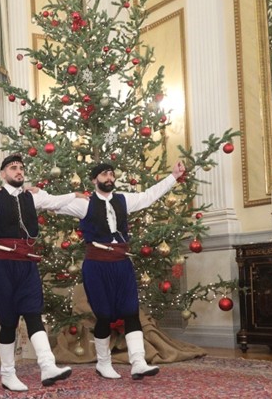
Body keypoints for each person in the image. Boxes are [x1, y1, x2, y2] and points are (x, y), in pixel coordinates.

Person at [56, 160, 186, 380]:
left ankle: (138, 362)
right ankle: (103, 363)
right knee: (104, 316)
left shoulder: (123, 199)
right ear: (94, 180)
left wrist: (173, 176)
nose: (109, 178)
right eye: (104, 175)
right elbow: (53, 205)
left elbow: (149, 196)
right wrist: (40, 193)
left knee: (131, 312)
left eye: (111, 174)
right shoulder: (84, 204)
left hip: (122, 263)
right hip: (97, 265)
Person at [0, 154, 79, 390]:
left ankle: (48, 366)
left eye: (21, 168)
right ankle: (7, 374)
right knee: (8, 321)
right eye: (13, 167)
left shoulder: (31, 197)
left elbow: (55, 201)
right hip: (3, 266)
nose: (19, 171)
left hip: (27, 264)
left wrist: (76, 195)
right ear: (2, 174)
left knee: (33, 312)